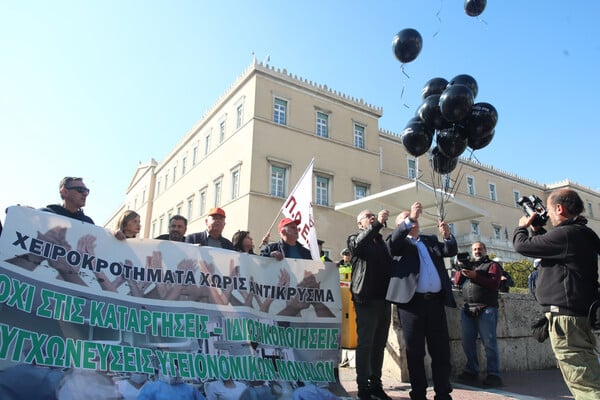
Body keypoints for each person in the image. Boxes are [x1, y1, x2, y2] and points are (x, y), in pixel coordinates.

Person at [513, 188, 600, 399]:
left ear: (559, 208)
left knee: (583, 380)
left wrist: (522, 227)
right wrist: (537, 230)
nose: (549, 216)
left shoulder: (567, 234)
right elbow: (553, 250)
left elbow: (521, 246)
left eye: (550, 210)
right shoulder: (580, 233)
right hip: (577, 316)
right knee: (585, 370)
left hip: (567, 321)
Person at [386, 202, 457, 400]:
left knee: (441, 351)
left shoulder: (429, 240)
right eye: (408, 220)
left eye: (415, 220)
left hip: (435, 303)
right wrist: (410, 219)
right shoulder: (398, 243)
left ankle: (443, 393)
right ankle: (418, 393)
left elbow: (449, 251)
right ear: (401, 226)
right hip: (412, 305)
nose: (414, 223)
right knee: (415, 352)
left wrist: (448, 236)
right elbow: (393, 243)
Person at [347, 209, 393, 400]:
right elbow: (358, 246)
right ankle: (363, 386)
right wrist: (376, 225)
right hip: (366, 298)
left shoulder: (381, 242)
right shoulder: (354, 238)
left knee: (379, 344)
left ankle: (376, 383)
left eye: (374, 215)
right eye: (368, 216)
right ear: (360, 224)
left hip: (384, 299)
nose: (372, 217)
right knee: (365, 343)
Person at [453, 241, 503, 387]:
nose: (477, 251)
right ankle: (471, 370)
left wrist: (475, 276)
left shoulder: (492, 265)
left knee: (489, 343)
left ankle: (493, 374)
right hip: (468, 308)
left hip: (486, 308)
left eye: (479, 249)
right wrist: (460, 268)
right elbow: (457, 282)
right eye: (474, 249)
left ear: (485, 250)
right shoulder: (470, 266)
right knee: (467, 342)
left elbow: (494, 284)